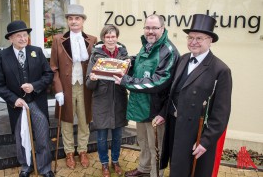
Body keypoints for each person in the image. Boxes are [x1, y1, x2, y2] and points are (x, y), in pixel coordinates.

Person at [160, 14, 232, 177]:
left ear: (210, 40)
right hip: (175, 127)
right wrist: (162, 113)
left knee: (192, 172)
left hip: (196, 134)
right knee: (176, 169)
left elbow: (221, 113)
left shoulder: (221, 70)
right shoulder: (183, 59)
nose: (193, 42)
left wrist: (206, 142)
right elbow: (173, 92)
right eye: (190, 37)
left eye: (199, 38)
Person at [114, 14, 180, 177]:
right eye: (147, 27)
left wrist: (126, 81)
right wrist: (130, 61)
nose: (150, 31)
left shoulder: (168, 51)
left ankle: (156, 174)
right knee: (143, 142)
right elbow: (144, 65)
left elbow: (158, 82)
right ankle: (144, 169)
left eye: (154, 28)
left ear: (162, 29)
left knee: (156, 146)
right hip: (142, 105)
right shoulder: (148, 45)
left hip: (156, 109)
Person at [0, 20, 54, 177]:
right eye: (18, 36)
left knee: (42, 136)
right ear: (10, 39)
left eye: (25, 35)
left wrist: (35, 86)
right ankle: (26, 166)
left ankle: (45, 168)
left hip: (36, 102)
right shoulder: (2, 56)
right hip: (18, 105)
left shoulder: (37, 51)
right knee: (22, 137)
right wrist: (14, 100)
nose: (23, 38)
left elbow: (48, 74)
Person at [50, 4, 97, 170]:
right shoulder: (58, 40)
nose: (74, 21)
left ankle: (82, 150)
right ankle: (69, 152)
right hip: (66, 87)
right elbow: (53, 68)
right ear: (67, 21)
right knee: (67, 121)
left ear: (83, 21)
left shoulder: (92, 39)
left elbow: (95, 65)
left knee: (84, 120)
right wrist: (58, 90)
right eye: (71, 18)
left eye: (77, 18)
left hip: (85, 87)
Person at [86, 25, 129, 177]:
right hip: (101, 101)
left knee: (118, 136)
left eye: (113, 36)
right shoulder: (95, 55)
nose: (110, 39)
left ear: (117, 37)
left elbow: (129, 78)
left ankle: (115, 161)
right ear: (103, 38)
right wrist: (92, 79)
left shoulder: (124, 55)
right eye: (107, 36)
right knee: (102, 137)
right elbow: (88, 84)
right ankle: (104, 164)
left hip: (119, 99)